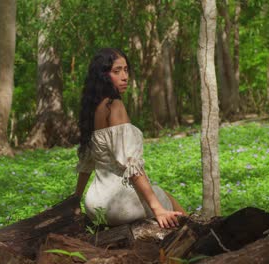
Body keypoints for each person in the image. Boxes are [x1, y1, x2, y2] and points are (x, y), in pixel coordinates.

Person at [74, 48, 186, 229]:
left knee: (161, 193)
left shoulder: (93, 109)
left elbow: (87, 164)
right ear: (102, 75)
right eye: (116, 71)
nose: (124, 76)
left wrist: (76, 201)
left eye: (126, 70)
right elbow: (131, 165)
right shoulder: (114, 106)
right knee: (167, 200)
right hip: (120, 204)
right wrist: (158, 209)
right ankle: (197, 232)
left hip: (95, 204)